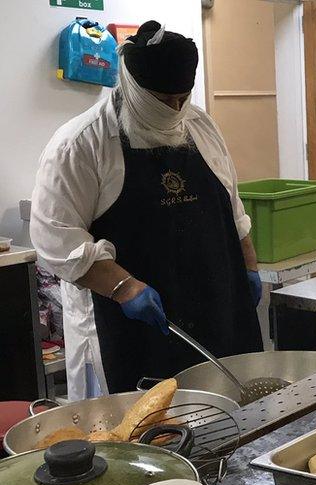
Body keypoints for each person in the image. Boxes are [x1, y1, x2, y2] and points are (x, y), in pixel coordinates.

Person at [31, 21, 263, 400]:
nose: (175, 109)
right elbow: (56, 239)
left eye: (182, 98)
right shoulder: (82, 144)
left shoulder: (200, 125)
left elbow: (232, 208)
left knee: (229, 411)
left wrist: (249, 267)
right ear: (134, 87)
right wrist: (125, 288)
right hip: (130, 325)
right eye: (163, 100)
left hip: (215, 305)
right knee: (140, 430)